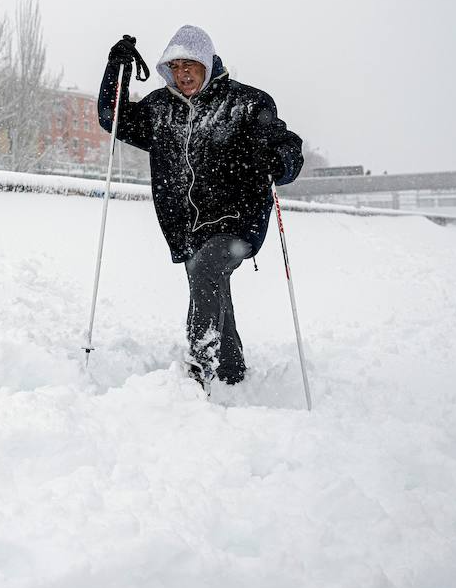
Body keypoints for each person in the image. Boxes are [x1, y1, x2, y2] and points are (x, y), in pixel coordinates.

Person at [98, 25, 303, 390]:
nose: (183, 73)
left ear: (207, 62)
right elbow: (112, 119)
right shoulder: (160, 109)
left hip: (237, 220)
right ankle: (231, 369)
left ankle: (200, 370)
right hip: (186, 226)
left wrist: (282, 159)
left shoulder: (247, 104)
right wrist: (118, 67)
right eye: (174, 67)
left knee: (207, 268)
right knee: (208, 282)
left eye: (190, 64)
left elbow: (286, 144)